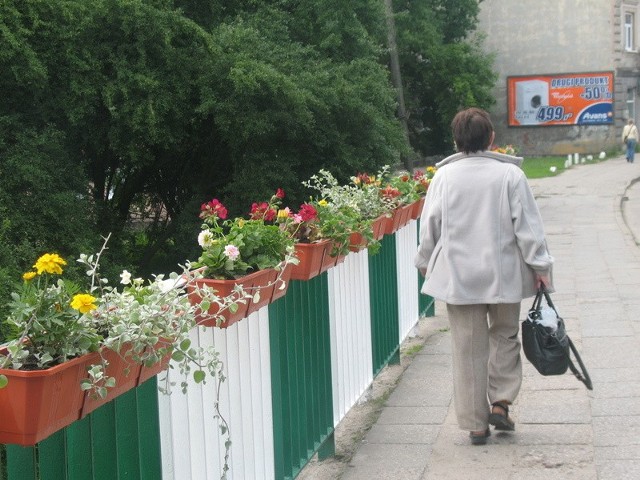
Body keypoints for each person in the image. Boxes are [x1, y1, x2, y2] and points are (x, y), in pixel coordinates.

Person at [414, 108, 554, 445]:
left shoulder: (444, 178)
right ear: (492, 138)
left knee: (467, 346)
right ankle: (501, 404)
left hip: (459, 277)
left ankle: (476, 425)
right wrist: (541, 268)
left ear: (455, 140)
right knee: (505, 335)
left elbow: (430, 227)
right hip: (504, 275)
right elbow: (529, 229)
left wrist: (425, 263)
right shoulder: (510, 176)